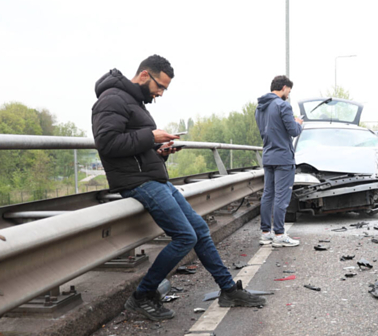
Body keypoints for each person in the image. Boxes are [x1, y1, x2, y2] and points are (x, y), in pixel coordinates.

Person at [91, 55, 265, 321]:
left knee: (200, 230)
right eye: (160, 86)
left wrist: (159, 151)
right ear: (145, 75)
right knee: (185, 236)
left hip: (153, 179)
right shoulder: (111, 99)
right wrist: (150, 136)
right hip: (138, 182)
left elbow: (133, 148)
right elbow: (107, 143)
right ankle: (141, 296)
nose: (160, 93)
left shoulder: (133, 101)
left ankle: (229, 290)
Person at [255, 75, 303, 247]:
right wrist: (298, 123)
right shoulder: (283, 106)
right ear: (283, 87)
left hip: (268, 156)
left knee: (268, 195)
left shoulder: (260, 108)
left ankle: (265, 233)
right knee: (282, 197)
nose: (288, 94)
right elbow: (293, 131)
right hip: (283, 158)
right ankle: (280, 235)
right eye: (288, 91)